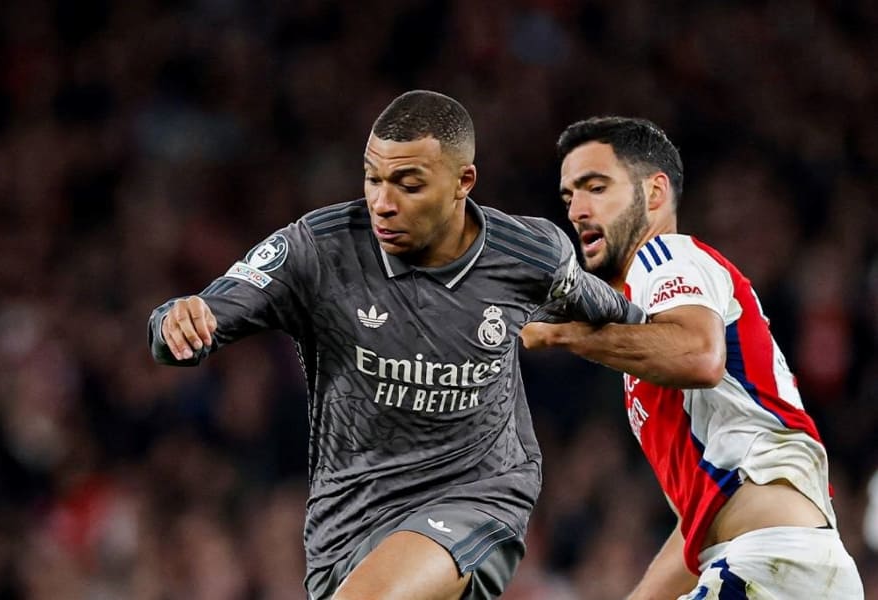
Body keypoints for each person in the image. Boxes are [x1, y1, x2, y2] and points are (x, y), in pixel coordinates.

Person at [148, 91, 644, 600]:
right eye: (373, 179)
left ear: (463, 182)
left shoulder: (528, 255)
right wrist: (176, 322)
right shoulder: (320, 249)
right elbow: (199, 313)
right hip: (347, 526)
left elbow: (627, 319)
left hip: (475, 498)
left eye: (408, 185)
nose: (383, 203)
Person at [522, 117, 864, 598]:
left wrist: (565, 334)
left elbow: (701, 357)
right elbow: (700, 525)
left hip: (771, 560)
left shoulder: (667, 257)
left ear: (654, 193)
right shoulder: (652, 335)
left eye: (596, 188)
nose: (578, 210)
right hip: (787, 564)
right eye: (569, 197)